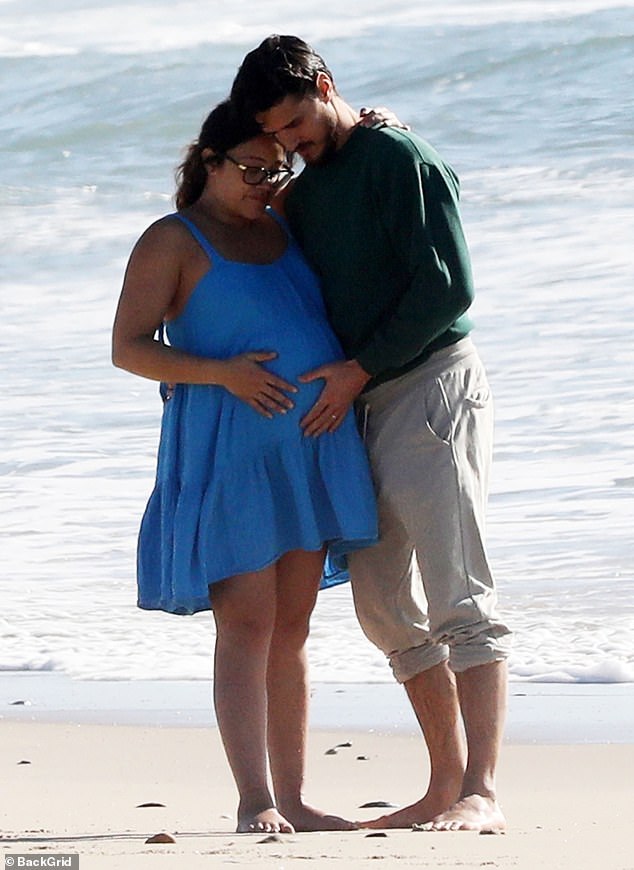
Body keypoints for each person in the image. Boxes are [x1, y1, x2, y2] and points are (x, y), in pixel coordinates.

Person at [230, 35, 513, 834]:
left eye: (295, 123)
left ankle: (484, 792)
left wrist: (359, 368)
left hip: (429, 383)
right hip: (361, 405)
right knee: (385, 605)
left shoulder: (399, 157)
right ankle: (444, 786)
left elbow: (449, 285)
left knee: (460, 593)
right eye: (276, 136)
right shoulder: (314, 185)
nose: (290, 144)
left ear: (325, 84)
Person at [111, 98, 378, 834]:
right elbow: (129, 348)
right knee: (247, 622)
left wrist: (376, 124)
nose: (266, 182)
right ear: (208, 162)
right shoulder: (174, 239)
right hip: (229, 450)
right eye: (252, 169)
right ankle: (253, 799)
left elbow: (343, 167)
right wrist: (222, 373)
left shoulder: (279, 221)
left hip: (309, 447)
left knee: (292, 626)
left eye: (276, 169)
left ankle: (292, 798)